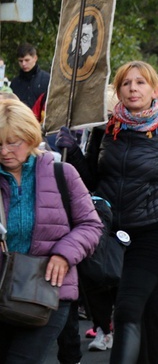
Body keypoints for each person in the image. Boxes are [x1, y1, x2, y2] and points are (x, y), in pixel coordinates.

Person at [58, 61, 158, 363]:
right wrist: (74, 153)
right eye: (126, 83)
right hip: (109, 236)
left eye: (140, 82)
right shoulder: (104, 132)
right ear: (118, 91)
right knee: (149, 311)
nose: (133, 88)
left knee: (129, 308)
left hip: (152, 234)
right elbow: (91, 180)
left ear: (156, 90)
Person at [0, 98, 101, 362]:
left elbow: (91, 225)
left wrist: (63, 254)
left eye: (13, 142)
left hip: (48, 292)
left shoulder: (61, 173)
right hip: (2, 290)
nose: (4, 151)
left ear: (30, 137)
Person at [10, 43, 50, 112]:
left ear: (35, 58)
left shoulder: (47, 79)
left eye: (27, 60)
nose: (23, 64)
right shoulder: (14, 83)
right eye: (20, 61)